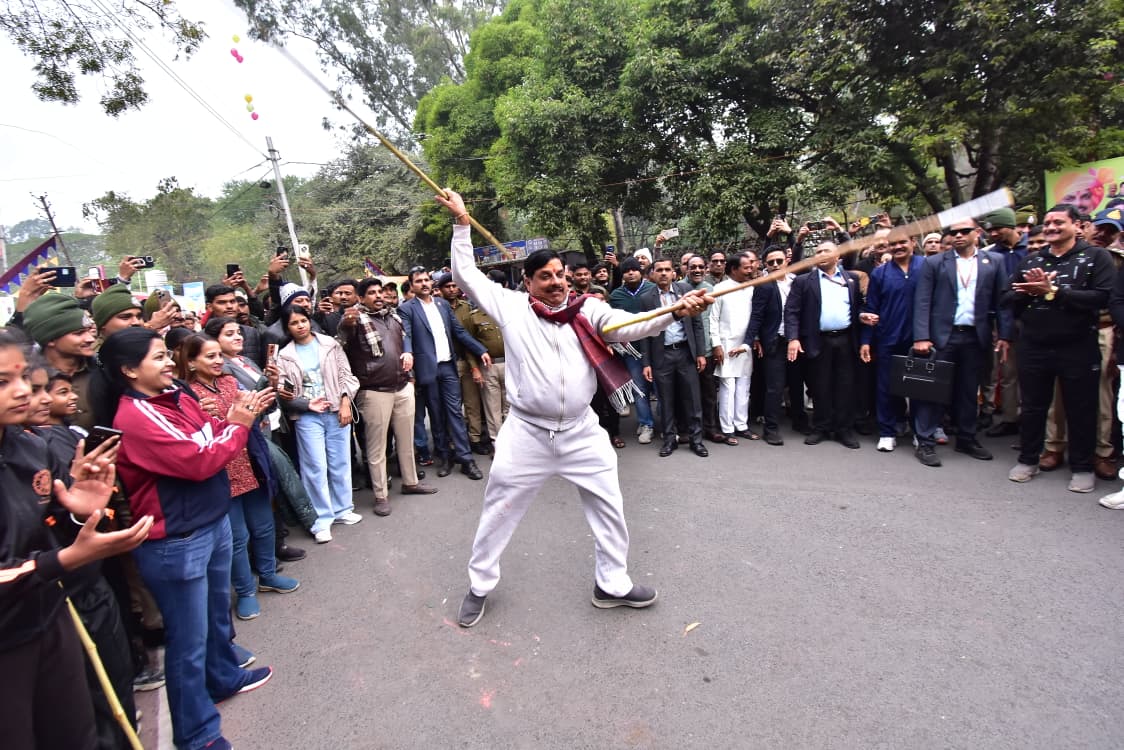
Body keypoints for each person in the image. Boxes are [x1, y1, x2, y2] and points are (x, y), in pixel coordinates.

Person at [437, 189, 711, 628]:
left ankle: (613, 584)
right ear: (527, 282)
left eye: (560, 274)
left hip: (581, 430)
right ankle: (480, 585)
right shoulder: (509, 308)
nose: (557, 282)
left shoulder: (590, 310)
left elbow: (630, 328)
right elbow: (465, 274)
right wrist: (462, 223)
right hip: (526, 433)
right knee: (499, 508)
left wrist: (677, 311)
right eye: (545, 276)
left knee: (609, 505)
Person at [99, 327, 272, 750]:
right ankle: (197, 734)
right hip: (178, 540)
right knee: (187, 644)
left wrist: (229, 424)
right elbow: (199, 459)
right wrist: (239, 426)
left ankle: (224, 678)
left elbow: (210, 429)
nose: (167, 363)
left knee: (215, 618)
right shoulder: (136, 417)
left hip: (210, 523)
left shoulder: (175, 394)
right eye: (158, 357)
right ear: (129, 371)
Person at [0, 327, 154, 750]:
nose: (25, 394)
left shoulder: (30, 448)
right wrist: (64, 561)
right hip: (7, 646)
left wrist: (75, 509)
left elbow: (44, 525)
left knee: (81, 733)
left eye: (24, 381)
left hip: (52, 619)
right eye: (3, 382)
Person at [178, 335, 297, 621]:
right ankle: (245, 592)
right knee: (237, 538)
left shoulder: (231, 382)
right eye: (209, 356)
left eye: (219, 355)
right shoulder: (187, 395)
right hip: (221, 472)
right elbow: (192, 438)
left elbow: (256, 414)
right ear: (191, 362)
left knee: (264, 526)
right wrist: (199, 416)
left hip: (250, 463)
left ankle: (268, 575)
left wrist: (267, 392)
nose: (218, 360)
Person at [1004, 205, 1115, 493]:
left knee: (1081, 408)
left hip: (1078, 346)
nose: (1051, 227)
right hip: (1034, 346)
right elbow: (1006, 298)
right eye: (1047, 222)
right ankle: (1028, 460)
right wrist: (1026, 292)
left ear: (1077, 225)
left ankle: (1082, 467)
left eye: (1058, 222)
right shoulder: (1032, 261)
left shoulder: (1095, 257)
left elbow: (1102, 298)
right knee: (1032, 407)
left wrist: (1053, 292)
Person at [911, 219, 1011, 467]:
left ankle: (966, 437)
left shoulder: (994, 262)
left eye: (964, 231)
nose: (958, 236)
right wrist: (921, 336)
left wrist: (1006, 335)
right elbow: (922, 301)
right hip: (942, 337)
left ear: (977, 233)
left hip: (976, 336)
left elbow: (1002, 302)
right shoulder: (934, 263)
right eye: (953, 232)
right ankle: (925, 441)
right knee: (932, 390)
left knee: (969, 391)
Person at [337, 278, 437, 517]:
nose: (378, 296)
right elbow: (342, 333)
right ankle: (381, 496)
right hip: (373, 392)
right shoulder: (354, 320)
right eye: (371, 293)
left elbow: (403, 348)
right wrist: (345, 321)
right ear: (361, 298)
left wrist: (410, 373)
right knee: (376, 448)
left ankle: (410, 482)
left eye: (380, 291)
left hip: (402, 387)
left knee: (406, 440)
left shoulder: (393, 318)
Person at [276, 307, 361, 543]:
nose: (300, 325)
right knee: (314, 465)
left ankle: (343, 508)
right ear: (287, 327)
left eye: (304, 320)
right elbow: (284, 391)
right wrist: (305, 404)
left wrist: (345, 402)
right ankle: (321, 519)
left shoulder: (330, 345)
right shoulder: (284, 355)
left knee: (340, 460)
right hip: (308, 416)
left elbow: (347, 375)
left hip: (336, 410)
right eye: (294, 323)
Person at [399, 268, 489, 480]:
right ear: (412, 286)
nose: (423, 284)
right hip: (427, 369)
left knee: (455, 413)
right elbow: (407, 334)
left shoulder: (442, 305)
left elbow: (459, 332)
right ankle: (445, 457)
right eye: (418, 281)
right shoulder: (407, 309)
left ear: (431, 283)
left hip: (448, 367)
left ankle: (466, 459)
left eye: (426, 280)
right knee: (437, 416)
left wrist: (481, 350)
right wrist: (408, 352)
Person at [786, 241, 864, 448]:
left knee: (845, 386)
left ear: (837, 256)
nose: (820, 254)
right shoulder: (803, 281)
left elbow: (857, 308)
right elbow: (792, 311)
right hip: (817, 340)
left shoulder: (851, 279)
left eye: (825, 251)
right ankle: (821, 426)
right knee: (820, 386)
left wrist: (864, 317)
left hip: (847, 340)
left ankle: (843, 429)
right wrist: (793, 338)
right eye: (817, 251)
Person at [859, 234, 926, 452]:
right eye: (893, 244)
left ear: (913, 243)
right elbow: (871, 308)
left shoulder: (926, 266)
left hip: (919, 339)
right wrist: (866, 341)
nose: (898, 247)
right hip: (888, 337)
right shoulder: (880, 273)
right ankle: (887, 432)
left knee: (919, 387)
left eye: (902, 243)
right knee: (885, 387)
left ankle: (920, 432)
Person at [637, 259, 708, 457]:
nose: (663, 273)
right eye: (659, 270)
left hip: (686, 352)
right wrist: (646, 363)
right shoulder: (646, 299)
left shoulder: (685, 290)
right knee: (665, 400)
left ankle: (696, 440)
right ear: (652, 274)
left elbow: (697, 324)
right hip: (662, 355)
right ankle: (669, 440)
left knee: (693, 399)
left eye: (667, 269)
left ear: (674, 273)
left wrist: (700, 353)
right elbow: (644, 332)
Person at [710, 253, 756, 445]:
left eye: (751, 266)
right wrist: (716, 345)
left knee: (744, 387)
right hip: (726, 346)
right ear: (734, 269)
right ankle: (728, 429)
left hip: (746, 345)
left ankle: (741, 425)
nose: (751, 269)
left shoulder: (752, 288)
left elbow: (756, 317)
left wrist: (754, 340)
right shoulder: (719, 289)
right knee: (728, 388)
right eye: (746, 267)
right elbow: (713, 319)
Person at [609, 257, 657, 444]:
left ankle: (667, 423)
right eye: (626, 270)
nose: (630, 272)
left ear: (641, 271)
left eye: (634, 269)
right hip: (631, 351)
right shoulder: (616, 296)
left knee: (661, 388)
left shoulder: (652, 290)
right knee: (639, 389)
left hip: (656, 347)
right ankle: (646, 424)